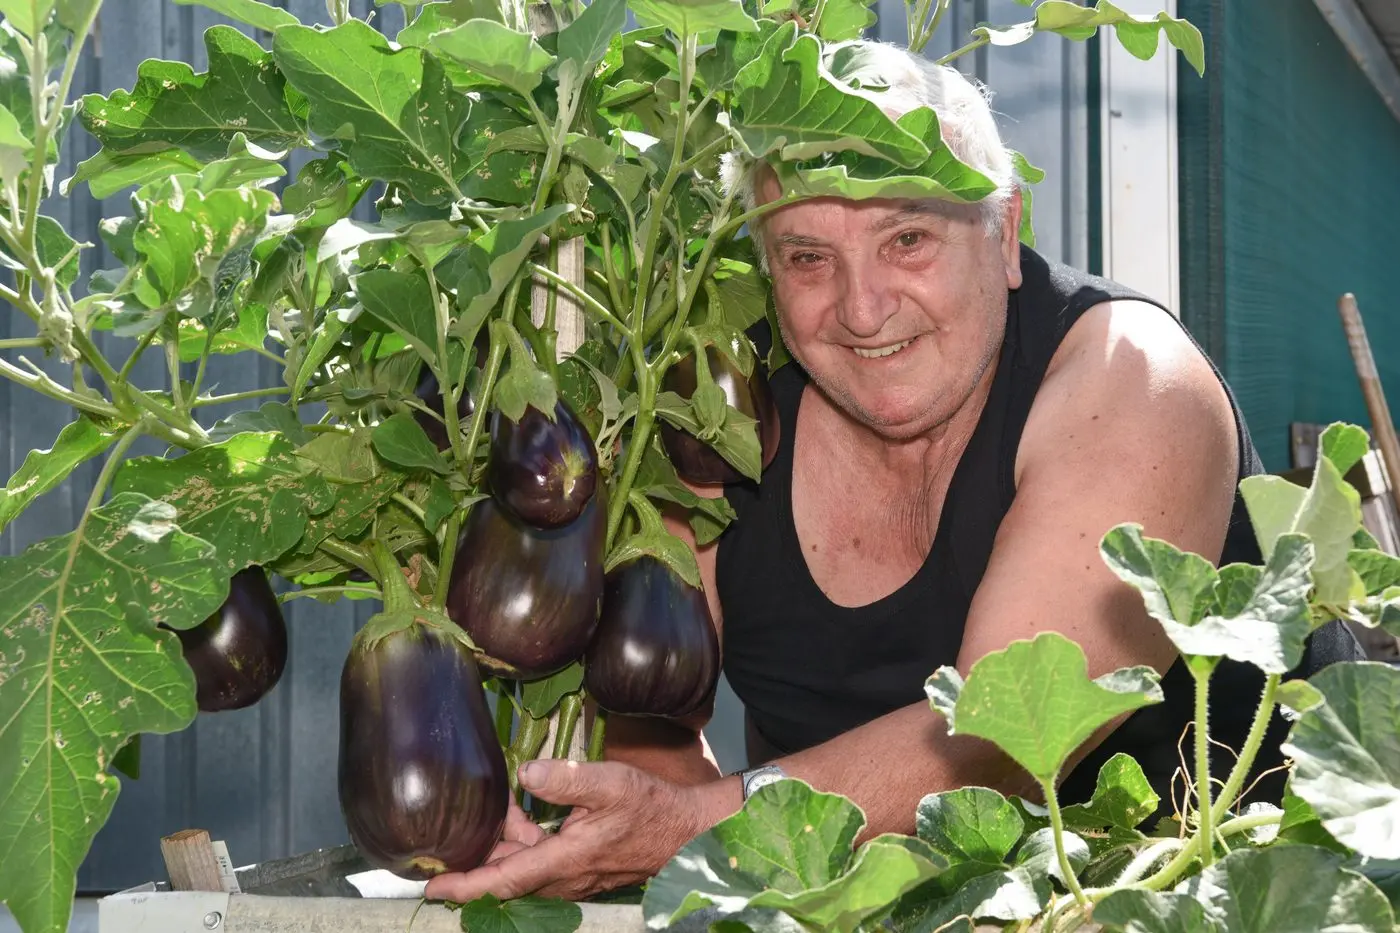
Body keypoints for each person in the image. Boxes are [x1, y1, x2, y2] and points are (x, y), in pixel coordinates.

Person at [424, 39, 1363, 904]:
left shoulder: (1129, 378)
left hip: (1200, 895)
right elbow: (650, 713)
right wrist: (648, 828)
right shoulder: (719, 417)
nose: (863, 309)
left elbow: (1003, 733)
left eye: (907, 239)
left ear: (1003, 233)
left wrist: (691, 830)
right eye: (807, 257)